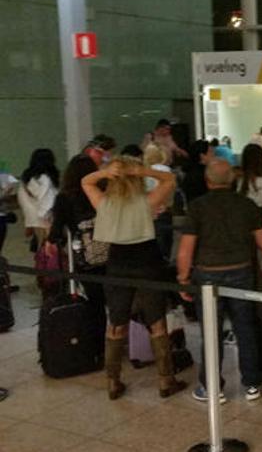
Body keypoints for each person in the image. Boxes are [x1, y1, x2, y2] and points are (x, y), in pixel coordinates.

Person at [82, 156, 185, 401]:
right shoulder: (147, 202)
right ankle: (165, 379)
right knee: (156, 320)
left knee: (116, 323)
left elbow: (85, 182)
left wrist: (106, 173)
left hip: (117, 263)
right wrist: (142, 170)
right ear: (136, 179)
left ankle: (113, 381)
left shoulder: (104, 203)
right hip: (147, 262)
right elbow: (170, 178)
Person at [177, 159, 262, 402]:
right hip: (241, 272)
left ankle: (212, 387)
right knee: (245, 327)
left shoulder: (197, 207)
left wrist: (183, 278)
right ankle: (251, 384)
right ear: (232, 180)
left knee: (211, 331)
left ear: (207, 182)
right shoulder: (247, 205)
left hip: (207, 275)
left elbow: (186, 249)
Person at [48, 155, 106, 319]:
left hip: (86, 255)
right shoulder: (102, 192)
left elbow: (57, 228)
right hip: (113, 250)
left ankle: (99, 337)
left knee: (96, 301)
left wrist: (50, 241)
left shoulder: (64, 197)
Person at [18, 148, 59, 248]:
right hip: (46, 218)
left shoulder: (27, 178)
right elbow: (48, 200)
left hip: (33, 218)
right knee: (50, 247)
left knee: (42, 246)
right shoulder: (46, 179)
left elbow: (22, 199)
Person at [144, 144, 175, 261]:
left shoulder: (144, 171)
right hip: (163, 208)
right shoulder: (165, 170)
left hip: (148, 211)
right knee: (165, 241)